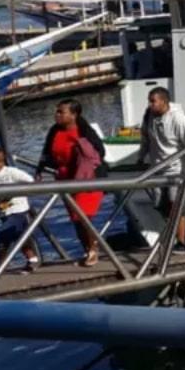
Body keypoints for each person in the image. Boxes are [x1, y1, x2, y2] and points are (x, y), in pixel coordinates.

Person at [38, 99, 106, 266]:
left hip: (87, 178)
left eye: (61, 112)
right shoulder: (54, 130)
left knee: (83, 215)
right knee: (76, 219)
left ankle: (93, 250)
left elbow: (99, 152)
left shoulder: (84, 131)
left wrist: (82, 157)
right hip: (65, 179)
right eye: (57, 111)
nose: (57, 115)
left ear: (74, 115)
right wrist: (40, 168)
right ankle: (88, 250)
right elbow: (46, 152)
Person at [139, 86, 185, 252]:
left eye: (153, 101)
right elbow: (146, 139)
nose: (150, 105)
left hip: (176, 169)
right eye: (149, 101)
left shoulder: (178, 119)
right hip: (157, 168)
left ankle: (181, 242)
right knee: (159, 204)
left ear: (164, 101)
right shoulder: (149, 116)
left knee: (175, 204)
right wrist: (141, 157)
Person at [0, 145, 38, 272]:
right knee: (18, 236)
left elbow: (30, 180)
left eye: (1, 161)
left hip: (19, 210)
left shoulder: (11, 172)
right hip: (4, 212)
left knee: (3, 237)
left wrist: (18, 190)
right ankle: (32, 259)